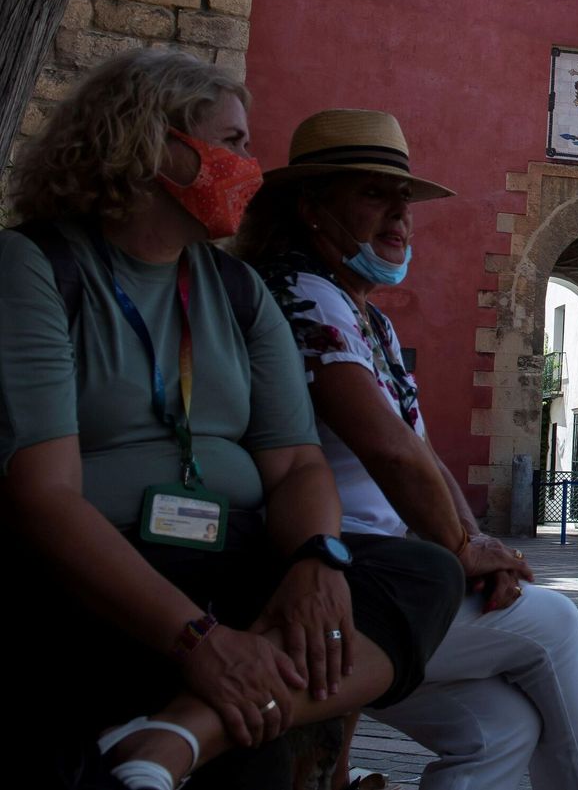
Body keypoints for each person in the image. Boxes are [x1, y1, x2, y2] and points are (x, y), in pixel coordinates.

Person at [0, 53, 462, 790]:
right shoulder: (39, 267)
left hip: (235, 554)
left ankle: (175, 736)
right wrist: (200, 641)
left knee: (424, 574)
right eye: (233, 142)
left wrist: (316, 558)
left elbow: (297, 464)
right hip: (107, 564)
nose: (247, 165)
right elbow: (44, 495)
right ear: (156, 144)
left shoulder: (237, 289)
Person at [238, 107, 578, 789]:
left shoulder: (369, 318)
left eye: (405, 199)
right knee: (555, 621)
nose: (399, 217)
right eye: (372, 194)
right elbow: (386, 450)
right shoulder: (300, 297)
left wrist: (476, 546)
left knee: (497, 729)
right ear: (311, 207)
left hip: (393, 575)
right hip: (339, 577)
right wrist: (463, 551)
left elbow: (423, 454)